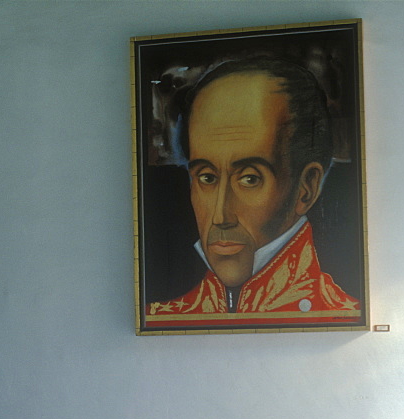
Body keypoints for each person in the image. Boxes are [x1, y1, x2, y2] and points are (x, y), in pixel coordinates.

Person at [148, 57, 360, 318]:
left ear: (306, 187)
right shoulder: (162, 318)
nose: (220, 217)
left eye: (249, 178)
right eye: (207, 177)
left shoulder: (342, 316)